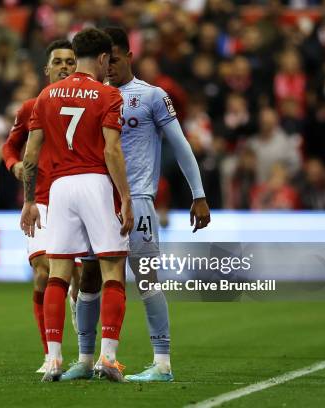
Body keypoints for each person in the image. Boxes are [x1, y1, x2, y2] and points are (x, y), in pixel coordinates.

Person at [62, 27, 210, 383]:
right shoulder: (92, 96)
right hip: (97, 198)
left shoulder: (151, 96)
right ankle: (85, 359)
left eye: (114, 58)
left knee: (146, 279)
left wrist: (199, 194)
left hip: (139, 199)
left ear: (129, 56)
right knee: (91, 278)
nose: (108, 65)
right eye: (103, 59)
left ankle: (162, 363)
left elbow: (181, 145)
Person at [20, 28, 133, 382]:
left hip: (59, 189)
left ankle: (53, 359)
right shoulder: (108, 95)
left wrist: (28, 201)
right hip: (96, 183)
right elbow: (112, 151)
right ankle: (108, 358)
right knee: (112, 269)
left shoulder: (46, 96)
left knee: (58, 272)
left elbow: (30, 156)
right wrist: (125, 197)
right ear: (102, 59)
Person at [2, 39, 82, 373]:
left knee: (79, 276)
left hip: (79, 199)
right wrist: (14, 166)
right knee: (43, 273)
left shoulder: (91, 103)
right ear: (47, 69)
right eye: (58, 62)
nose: (64, 67)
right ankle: (51, 354)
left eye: (70, 61)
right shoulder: (31, 107)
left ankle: (86, 350)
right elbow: (11, 146)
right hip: (43, 200)